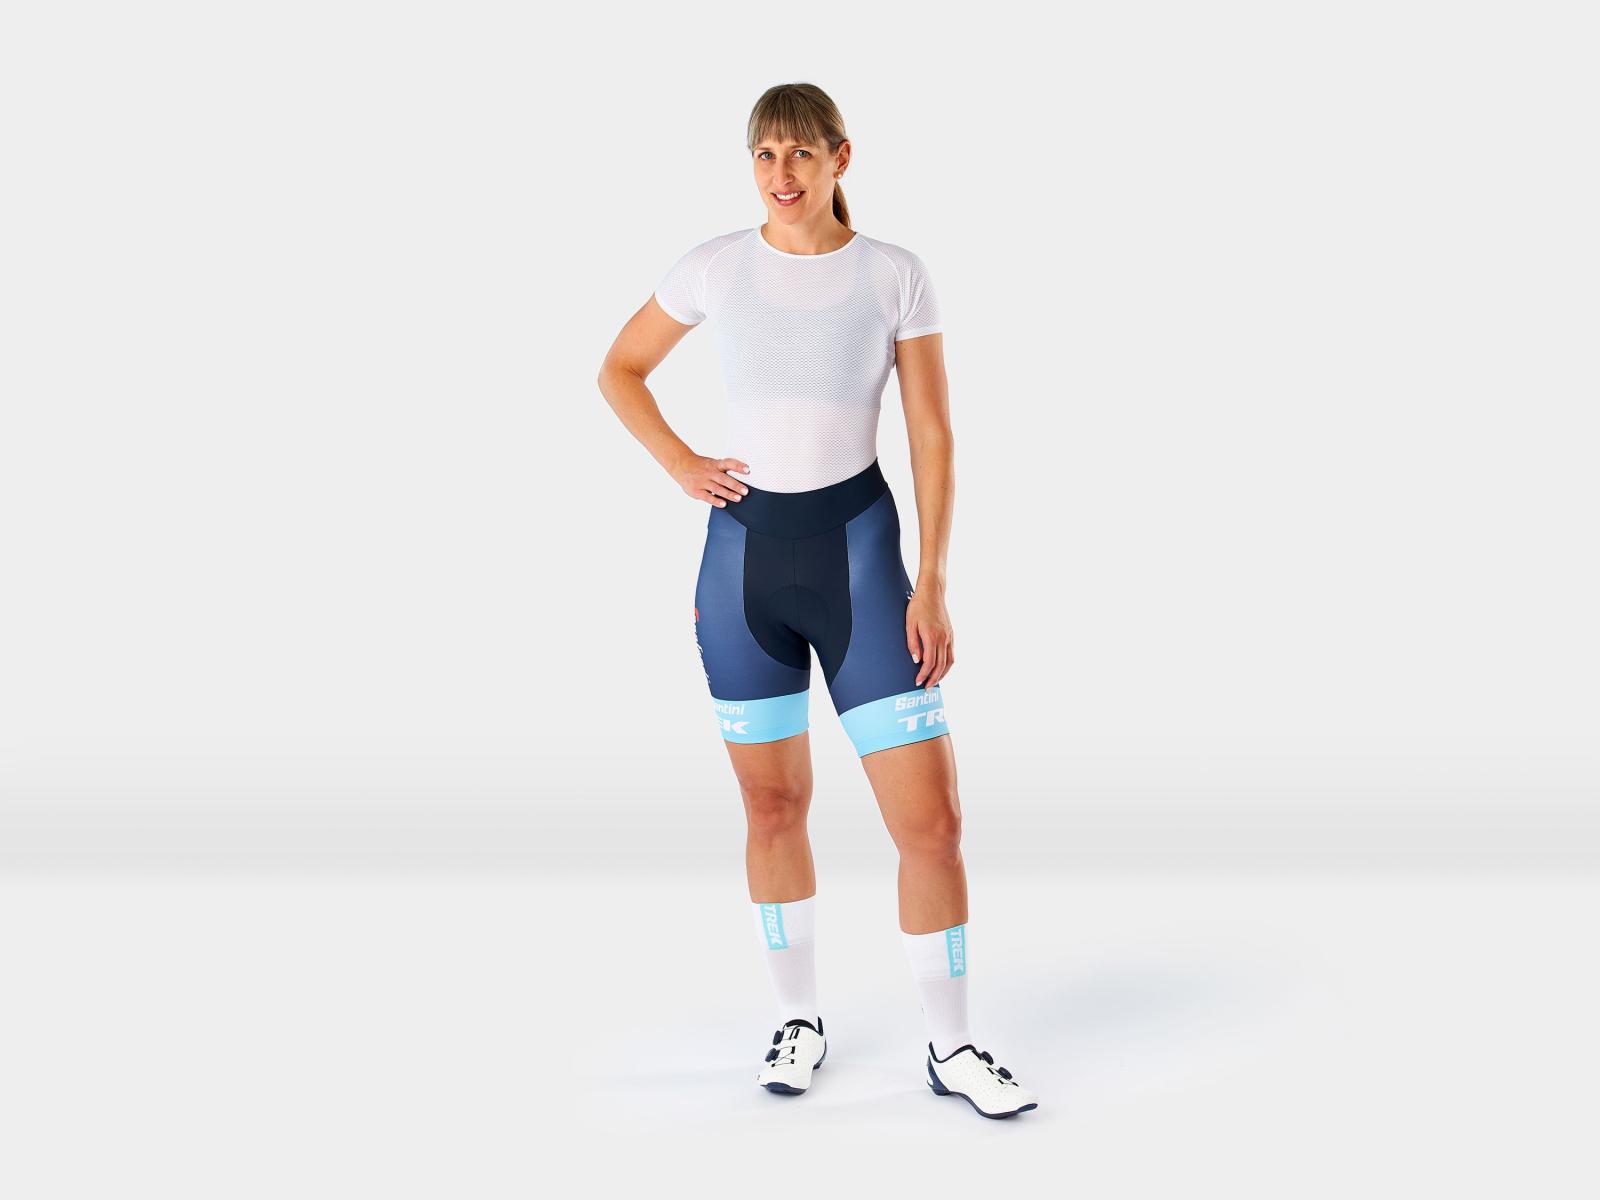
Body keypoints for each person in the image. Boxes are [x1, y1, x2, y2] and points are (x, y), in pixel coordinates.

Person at [596, 82, 1037, 1119]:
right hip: (742, 566)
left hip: (860, 563)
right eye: (763, 155)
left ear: (842, 157)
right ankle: (798, 1019)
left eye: (799, 153)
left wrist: (933, 581)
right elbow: (620, 369)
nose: (780, 174)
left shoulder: (893, 273)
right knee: (771, 806)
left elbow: (931, 433)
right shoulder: (715, 266)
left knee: (931, 823)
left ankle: (951, 1045)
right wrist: (679, 463)